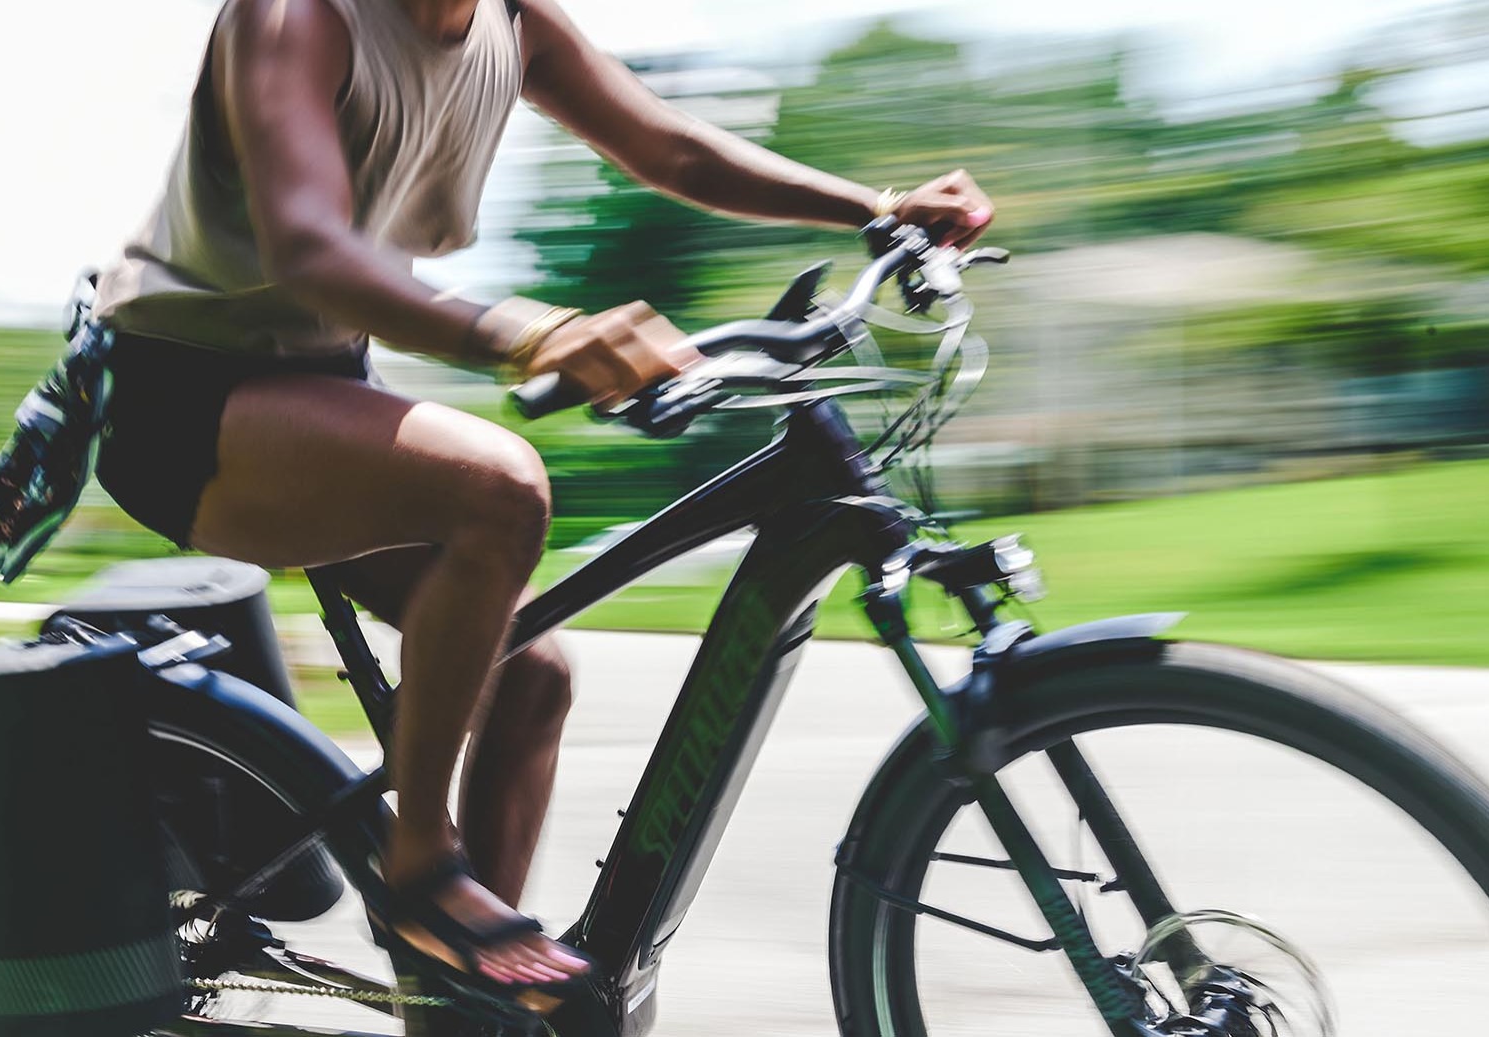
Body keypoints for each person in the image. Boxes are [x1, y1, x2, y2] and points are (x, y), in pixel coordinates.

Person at [89, 0, 994, 999]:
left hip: (319, 388)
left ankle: (462, 1011)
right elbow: (305, 244)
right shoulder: (298, 17)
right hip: (184, 398)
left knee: (532, 674)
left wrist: (876, 209)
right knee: (501, 486)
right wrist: (532, 331)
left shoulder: (512, 23)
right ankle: (422, 868)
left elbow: (670, 148)